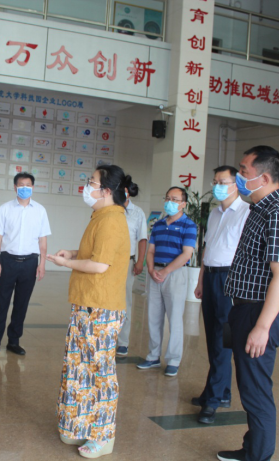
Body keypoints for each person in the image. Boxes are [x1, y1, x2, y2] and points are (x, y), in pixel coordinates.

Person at [218, 146, 279, 462]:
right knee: (250, 386)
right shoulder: (259, 208)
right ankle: (252, 448)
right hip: (245, 308)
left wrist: (262, 327)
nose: (238, 177)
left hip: (260, 312)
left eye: (243, 171)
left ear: (264, 178)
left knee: (256, 391)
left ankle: (259, 456)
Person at [47, 165, 131, 459]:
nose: (87, 186)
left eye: (91, 182)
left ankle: (103, 436)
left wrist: (66, 264)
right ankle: (80, 425)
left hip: (101, 309)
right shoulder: (101, 216)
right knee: (80, 368)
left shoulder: (112, 220)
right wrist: (72, 253)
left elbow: (99, 265)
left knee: (99, 373)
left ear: (106, 191)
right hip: (88, 304)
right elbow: (95, 255)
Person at [191, 166, 250, 424]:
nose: (217, 186)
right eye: (215, 182)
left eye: (222, 182)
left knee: (223, 340)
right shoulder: (215, 213)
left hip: (229, 280)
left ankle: (213, 400)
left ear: (236, 184)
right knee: (213, 338)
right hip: (211, 277)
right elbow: (208, 248)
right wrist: (201, 279)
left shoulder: (247, 212)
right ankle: (221, 391)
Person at [0, 172, 51, 357]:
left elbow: (42, 240)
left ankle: (14, 341)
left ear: (33, 187)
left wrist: (42, 263)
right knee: (1, 303)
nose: (25, 188)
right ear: (14, 187)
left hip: (30, 263)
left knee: (21, 304)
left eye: (28, 185)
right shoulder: (5, 209)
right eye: (21, 185)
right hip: (7, 261)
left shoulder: (40, 210)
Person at [137, 187, 197, 377]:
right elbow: (151, 250)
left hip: (175, 274)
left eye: (175, 199)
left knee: (175, 318)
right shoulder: (158, 225)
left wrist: (165, 271)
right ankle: (153, 356)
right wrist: (151, 269)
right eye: (168, 198)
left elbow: (186, 254)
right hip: (155, 273)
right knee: (153, 317)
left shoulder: (189, 225)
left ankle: (173, 360)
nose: (170, 202)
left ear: (183, 204)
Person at [116, 178, 147, 356]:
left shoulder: (137, 213)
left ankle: (123, 341)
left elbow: (142, 239)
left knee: (125, 300)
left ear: (128, 191)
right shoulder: (110, 208)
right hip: (107, 262)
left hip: (127, 262)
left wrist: (140, 261)